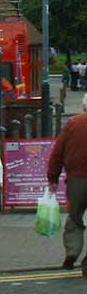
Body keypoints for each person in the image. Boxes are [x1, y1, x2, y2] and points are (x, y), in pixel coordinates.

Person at [47, 93, 87, 270]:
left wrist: (53, 177)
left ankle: (72, 252)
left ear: (84, 106)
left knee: (74, 217)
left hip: (76, 180)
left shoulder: (73, 123)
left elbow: (57, 152)